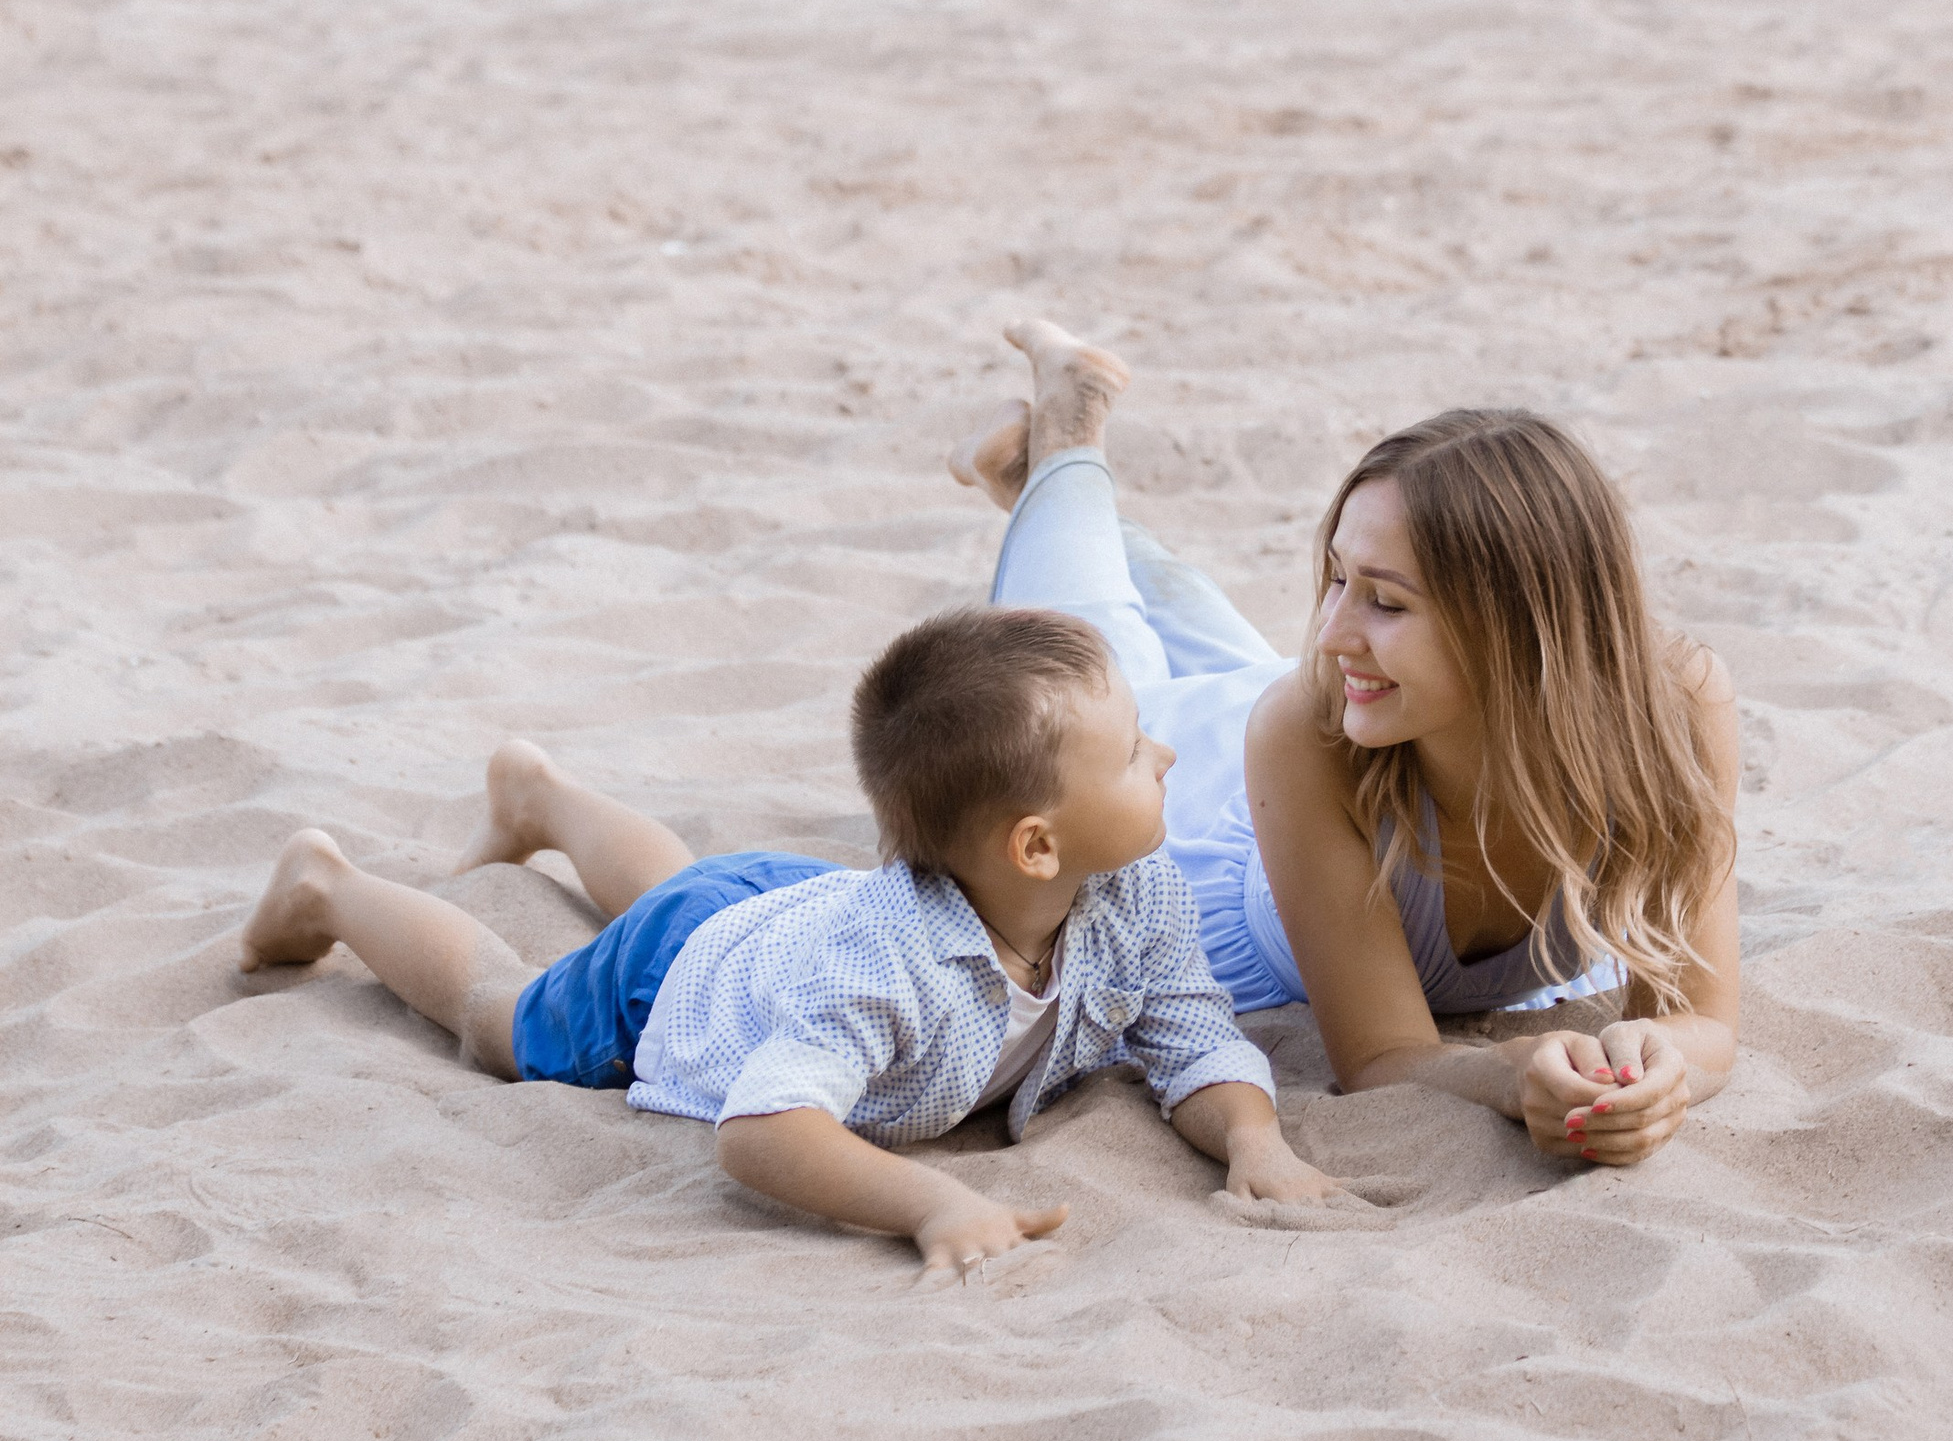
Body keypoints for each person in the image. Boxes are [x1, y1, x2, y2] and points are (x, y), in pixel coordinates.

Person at [237, 607, 1339, 1279]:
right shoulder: (884, 971)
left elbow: (1192, 1031)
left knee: (691, 894)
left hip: (787, 910)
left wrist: (1252, 1140)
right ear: (1036, 846)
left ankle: (544, 799)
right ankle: (330, 885)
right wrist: (935, 1202)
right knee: (506, 1023)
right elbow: (763, 1133)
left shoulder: (1131, 889)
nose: (1165, 758)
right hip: (703, 973)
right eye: (1134, 749)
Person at [947, 321, 1741, 1169]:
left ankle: (1040, 483)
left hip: (1359, 719)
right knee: (1092, 660)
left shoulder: (1675, 713)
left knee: (1228, 650)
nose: (1330, 631)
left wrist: (1660, 1070)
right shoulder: (1310, 725)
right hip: (1215, 799)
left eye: (1386, 602)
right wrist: (1510, 1074)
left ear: (1519, 630)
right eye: (1336, 578)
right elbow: (1380, 1057)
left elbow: (1703, 1019)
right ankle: (1069, 435)